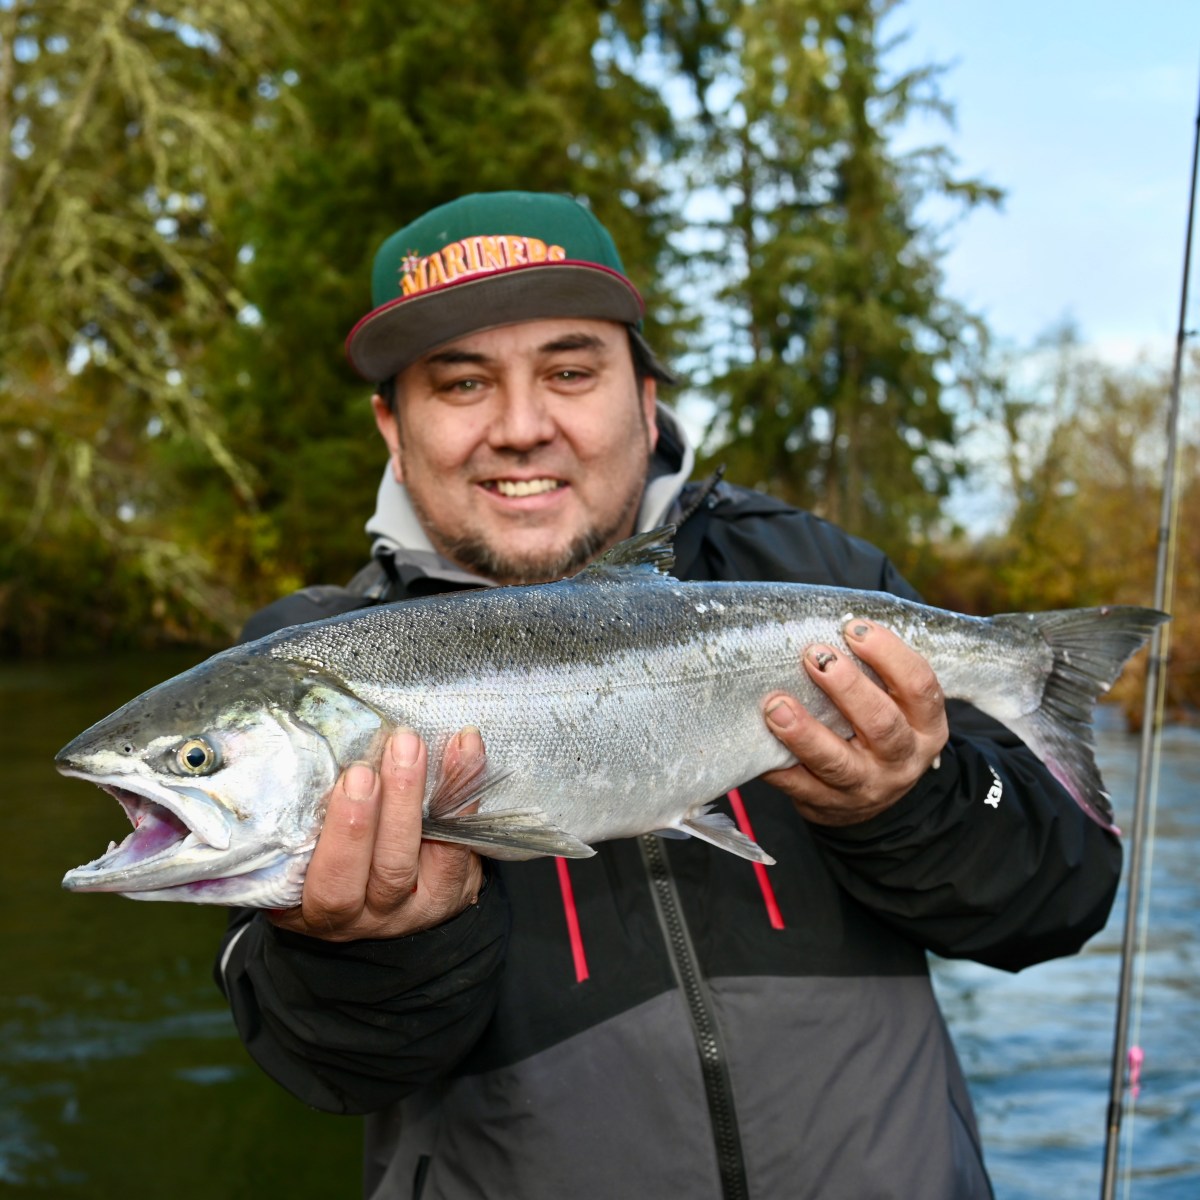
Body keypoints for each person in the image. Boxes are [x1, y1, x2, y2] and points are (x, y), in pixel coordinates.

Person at [216, 190, 1121, 1199]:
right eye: (462, 382)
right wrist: (375, 950)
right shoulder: (300, 669)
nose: (521, 427)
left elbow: (1060, 902)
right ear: (393, 425)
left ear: (647, 403)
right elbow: (319, 1065)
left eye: (569, 371)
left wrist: (916, 802)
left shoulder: (814, 577)